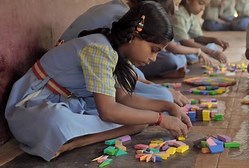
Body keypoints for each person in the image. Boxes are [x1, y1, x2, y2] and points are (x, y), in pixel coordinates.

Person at [5, 2, 192, 161]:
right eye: (154, 49)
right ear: (135, 35)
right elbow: (108, 111)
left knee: (140, 120)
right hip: (34, 104)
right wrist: (160, 118)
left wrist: (168, 106)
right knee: (57, 122)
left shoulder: (118, 52)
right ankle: (69, 137)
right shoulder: (99, 49)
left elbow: (124, 99)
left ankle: (77, 141)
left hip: (70, 103)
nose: (153, 58)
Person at [58, 0, 190, 106]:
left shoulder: (123, 13)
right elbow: (112, 105)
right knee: (162, 97)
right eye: (176, 4)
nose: (176, 9)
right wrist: (163, 95)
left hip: (91, 75)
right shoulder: (124, 20)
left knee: (155, 98)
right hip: (71, 85)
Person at [172, 0, 230, 64]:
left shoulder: (191, 14)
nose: (203, 8)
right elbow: (183, 41)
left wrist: (214, 40)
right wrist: (212, 52)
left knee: (211, 45)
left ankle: (196, 58)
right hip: (175, 47)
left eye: (204, 5)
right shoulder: (179, 14)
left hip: (183, 46)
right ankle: (190, 59)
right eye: (201, 3)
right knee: (176, 59)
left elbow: (197, 37)